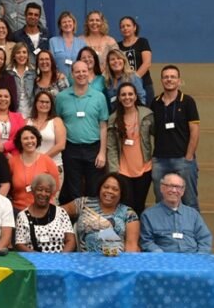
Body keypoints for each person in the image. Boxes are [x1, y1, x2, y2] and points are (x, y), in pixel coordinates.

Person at [56, 61, 109, 203]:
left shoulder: (99, 97)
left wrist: (102, 152)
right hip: (70, 148)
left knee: (94, 189)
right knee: (73, 190)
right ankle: (76, 217)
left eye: (84, 71)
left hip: (94, 148)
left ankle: (90, 217)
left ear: (89, 72)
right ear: (72, 74)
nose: (81, 74)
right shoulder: (61, 97)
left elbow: (103, 125)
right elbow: (57, 122)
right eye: (77, 71)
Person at [150, 65, 200, 210]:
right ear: (161, 80)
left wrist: (189, 157)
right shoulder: (155, 102)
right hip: (160, 161)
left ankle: (192, 226)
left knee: (189, 201)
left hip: (183, 160)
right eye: (166, 77)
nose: (169, 79)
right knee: (161, 202)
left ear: (179, 80)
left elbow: (195, 130)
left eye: (173, 77)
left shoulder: (188, 101)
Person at [107, 82, 154, 216]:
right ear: (119, 98)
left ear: (135, 96)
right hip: (123, 171)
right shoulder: (114, 118)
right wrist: (114, 170)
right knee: (127, 206)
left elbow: (157, 135)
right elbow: (111, 147)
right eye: (123, 95)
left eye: (130, 94)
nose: (127, 97)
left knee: (139, 205)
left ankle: (138, 229)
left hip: (144, 169)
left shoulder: (147, 114)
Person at [62, 173, 140, 253]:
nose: (109, 191)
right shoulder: (84, 203)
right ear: (100, 188)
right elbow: (58, 212)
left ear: (121, 193)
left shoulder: (129, 214)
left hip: (116, 258)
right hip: (85, 258)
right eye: (106, 187)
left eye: (115, 189)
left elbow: (131, 245)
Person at [140, 173, 212, 253]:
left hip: (192, 257)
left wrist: (199, 256)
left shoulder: (193, 215)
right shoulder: (148, 215)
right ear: (162, 188)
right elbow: (147, 242)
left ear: (183, 191)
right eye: (170, 186)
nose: (174, 190)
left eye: (178, 187)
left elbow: (204, 239)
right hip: (164, 258)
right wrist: (162, 256)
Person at [15, 174, 76, 253]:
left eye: (47, 191)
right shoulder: (22, 216)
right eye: (39, 190)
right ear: (33, 191)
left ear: (51, 193)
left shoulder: (61, 213)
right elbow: (20, 244)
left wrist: (61, 257)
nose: (43, 194)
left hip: (60, 258)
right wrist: (39, 257)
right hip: (33, 259)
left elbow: (70, 240)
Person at [8, 126, 60, 212]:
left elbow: (55, 187)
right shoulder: (12, 162)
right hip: (18, 210)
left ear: (37, 140)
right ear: (20, 141)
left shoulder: (47, 161)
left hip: (43, 209)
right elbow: (8, 187)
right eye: (25, 138)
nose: (29, 141)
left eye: (32, 138)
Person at [26, 92, 66, 203]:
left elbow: (61, 145)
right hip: (30, 166)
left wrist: (40, 159)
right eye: (41, 101)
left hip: (53, 166)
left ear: (51, 105)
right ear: (36, 103)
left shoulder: (56, 121)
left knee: (51, 200)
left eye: (47, 102)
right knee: (31, 199)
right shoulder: (27, 122)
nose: (44, 104)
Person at [118, 16, 154, 106]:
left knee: (145, 111)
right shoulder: (117, 46)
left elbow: (147, 63)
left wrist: (134, 80)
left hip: (144, 84)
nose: (125, 28)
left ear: (134, 27)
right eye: (122, 26)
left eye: (128, 25)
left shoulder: (142, 42)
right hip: (124, 86)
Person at [49, 11, 86, 77]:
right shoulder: (53, 41)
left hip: (77, 78)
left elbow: (84, 63)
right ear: (60, 26)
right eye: (64, 22)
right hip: (59, 79)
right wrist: (57, 74)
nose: (67, 24)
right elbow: (50, 62)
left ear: (74, 24)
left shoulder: (81, 43)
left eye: (69, 21)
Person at [8, 42, 36, 118]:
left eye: (24, 52)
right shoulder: (8, 73)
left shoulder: (34, 72)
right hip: (14, 114)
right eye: (18, 52)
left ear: (28, 55)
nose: (21, 55)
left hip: (31, 113)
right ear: (14, 56)